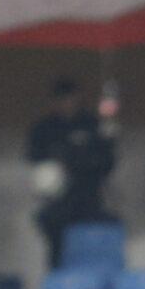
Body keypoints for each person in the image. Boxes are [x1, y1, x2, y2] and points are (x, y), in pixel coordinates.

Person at [26, 76, 117, 268]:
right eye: (62, 99)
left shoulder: (93, 125)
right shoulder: (43, 129)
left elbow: (107, 160)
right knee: (58, 249)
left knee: (92, 245)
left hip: (89, 196)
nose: (67, 103)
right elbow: (35, 160)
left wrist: (83, 163)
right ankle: (60, 283)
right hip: (57, 200)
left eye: (71, 98)